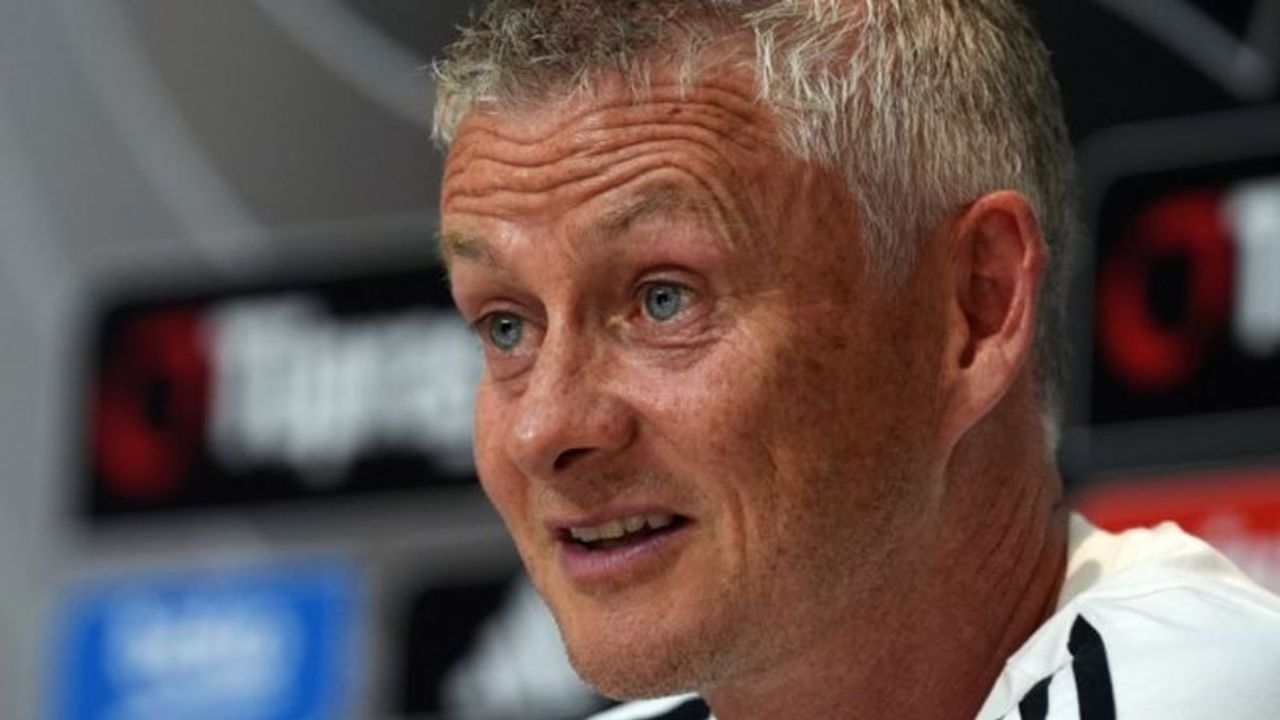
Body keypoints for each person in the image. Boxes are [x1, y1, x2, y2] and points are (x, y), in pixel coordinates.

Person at [431, 1, 1280, 718]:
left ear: (975, 308)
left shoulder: (1192, 688)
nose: (543, 429)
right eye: (506, 327)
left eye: (665, 299)